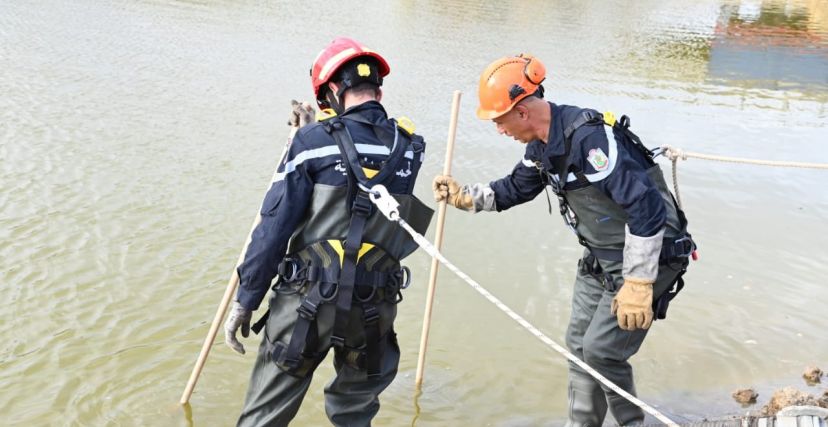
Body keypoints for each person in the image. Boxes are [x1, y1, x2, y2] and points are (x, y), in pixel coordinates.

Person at [433, 54, 695, 426]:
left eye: (500, 121)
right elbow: (514, 189)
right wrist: (465, 197)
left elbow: (646, 207)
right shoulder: (541, 146)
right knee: (577, 347)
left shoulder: (589, 141)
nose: (499, 130)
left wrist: (638, 282)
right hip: (601, 260)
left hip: (651, 256)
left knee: (602, 351)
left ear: (522, 112)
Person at [224, 37, 433, 427]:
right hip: (373, 308)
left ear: (333, 92)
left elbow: (274, 228)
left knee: (264, 416)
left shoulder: (309, 143)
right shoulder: (410, 147)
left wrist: (246, 299)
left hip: (306, 305)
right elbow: (365, 179)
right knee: (353, 416)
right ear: (378, 92)